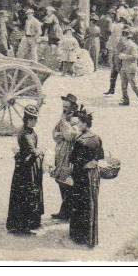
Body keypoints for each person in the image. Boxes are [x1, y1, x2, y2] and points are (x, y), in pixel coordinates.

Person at [6, 105, 45, 235]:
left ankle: (29, 222)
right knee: (28, 194)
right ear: (29, 120)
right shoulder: (26, 134)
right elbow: (33, 151)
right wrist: (41, 151)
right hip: (27, 168)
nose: (37, 121)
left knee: (27, 193)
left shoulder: (28, 131)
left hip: (27, 165)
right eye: (35, 119)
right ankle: (24, 226)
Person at [69, 108, 104, 248]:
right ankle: (91, 236)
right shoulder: (97, 138)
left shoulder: (80, 140)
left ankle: (79, 236)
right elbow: (100, 156)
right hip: (93, 176)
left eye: (79, 123)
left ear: (84, 124)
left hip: (81, 176)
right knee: (91, 204)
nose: (77, 125)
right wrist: (92, 162)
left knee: (79, 205)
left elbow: (73, 160)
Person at [51, 94, 79, 221]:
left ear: (72, 107)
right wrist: (61, 134)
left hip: (69, 155)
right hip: (61, 153)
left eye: (66, 106)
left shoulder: (76, 119)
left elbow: (69, 135)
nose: (64, 109)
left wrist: (63, 130)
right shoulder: (64, 118)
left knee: (67, 182)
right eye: (63, 106)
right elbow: (54, 134)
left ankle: (67, 212)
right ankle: (65, 210)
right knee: (60, 180)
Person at [117, 28, 138, 106]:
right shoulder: (124, 44)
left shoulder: (133, 45)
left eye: (123, 36)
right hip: (124, 66)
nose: (122, 38)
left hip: (131, 67)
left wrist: (124, 56)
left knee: (133, 85)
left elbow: (135, 56)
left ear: (126, 37)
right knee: (123, 85)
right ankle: (125, 100)